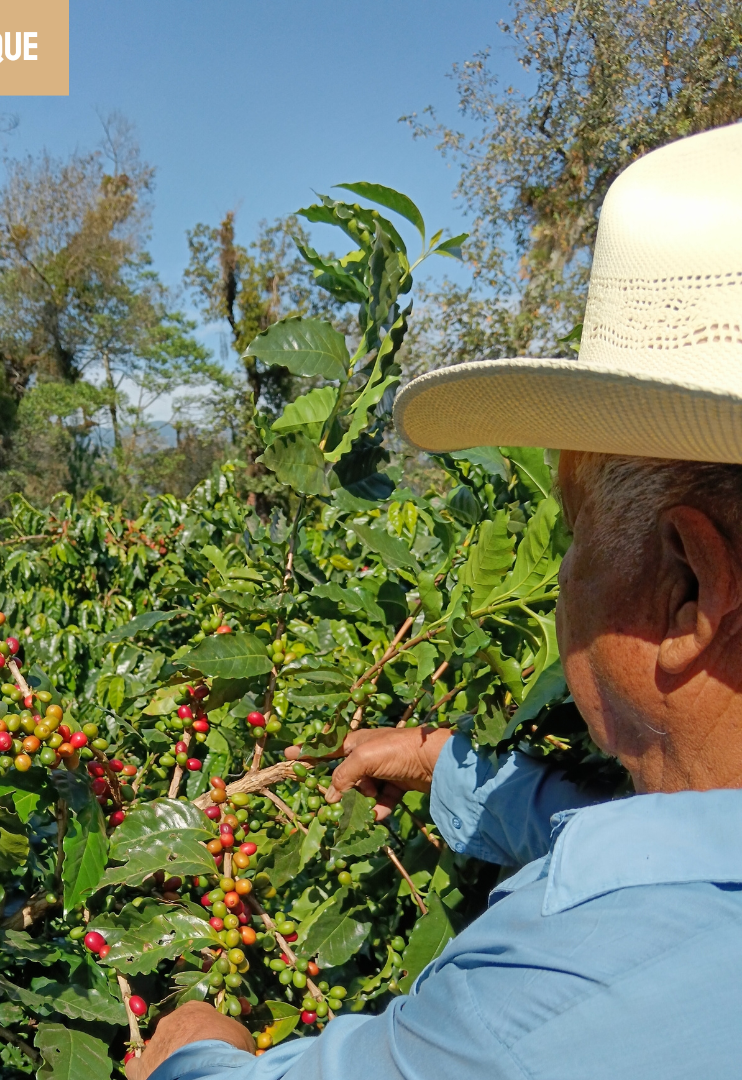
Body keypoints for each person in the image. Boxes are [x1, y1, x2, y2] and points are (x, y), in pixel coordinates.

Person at [126, 122, 742, 1080]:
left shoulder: (540, 1018)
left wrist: (197, 1053)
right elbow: (685, 859)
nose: (564, 576)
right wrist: (445, 765)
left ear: (689, 589)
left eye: (574, 531)